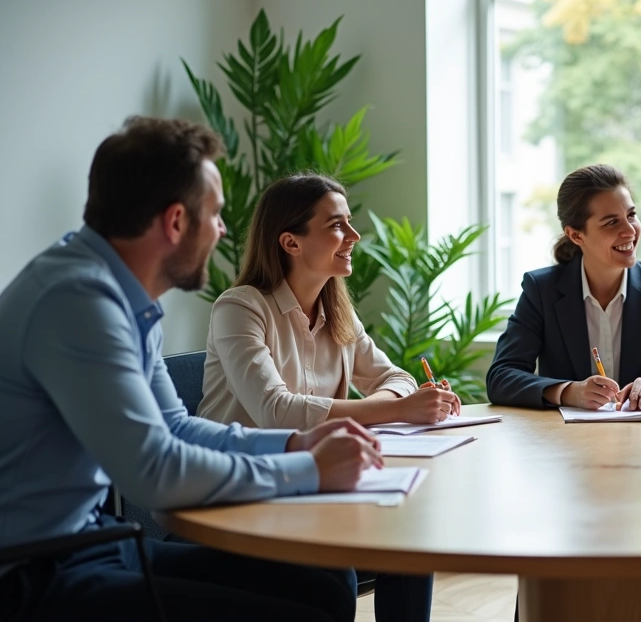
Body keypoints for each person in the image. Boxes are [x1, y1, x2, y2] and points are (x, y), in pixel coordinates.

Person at [0, 117, 383, 621]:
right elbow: (155, 473)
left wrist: (295, 443)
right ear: (176, 221)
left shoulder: (123, 299)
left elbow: (176, 427)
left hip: (89, 542)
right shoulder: (77, 301)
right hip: (31, 573)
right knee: (303, 610)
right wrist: (309, 468)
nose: (224, 229)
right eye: (216, 214)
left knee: (327, 584)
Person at [198, 173, 448, 621]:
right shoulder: (240, 307)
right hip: (243, 492)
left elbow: (397, 378)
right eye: (337, 226)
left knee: (411, 548)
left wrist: (404, 399)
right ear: (291, 243)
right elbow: (276, 411)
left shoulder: (339, 312)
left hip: (315, 487)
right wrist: (395, 409)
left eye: (350, 224)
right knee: (334, 576)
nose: (353, 236)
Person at [486, 164, 641, 411]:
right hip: (565, 440)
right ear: (576, 236)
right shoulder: (542, 289)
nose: (630, 231)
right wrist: (567, 392)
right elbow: (501, 376)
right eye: (611, 222)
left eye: (631, 215)